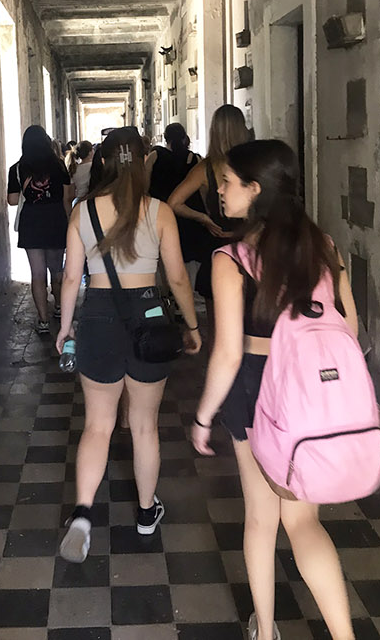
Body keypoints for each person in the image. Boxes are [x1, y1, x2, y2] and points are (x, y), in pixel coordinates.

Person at [189, 139, 360, 640]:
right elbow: (349, 329)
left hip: (257, 389)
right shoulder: (324, 245)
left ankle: (265, 631)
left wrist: (203, 416)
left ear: (255, 189)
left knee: (261, 518)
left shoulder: (231, 258)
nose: (220, 191)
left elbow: (228, 353)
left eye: (228, 182)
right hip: (314, 389)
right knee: (304, 522)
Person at [55, 127, 202, 564]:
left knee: (97, 425)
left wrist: (65, 327)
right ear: (143, 162)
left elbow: (70, 278)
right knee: (144, 426)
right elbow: (177, 278)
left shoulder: (82, 211)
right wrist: (192, 325)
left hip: (98, 316)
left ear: (102, 161)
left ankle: (83, 516)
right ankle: (145, 513)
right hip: (148, 316)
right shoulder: (159, 211)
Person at [167, 105, 253, 300]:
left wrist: (203, 218)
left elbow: (174, 202)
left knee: (216, 308)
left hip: (217, 244)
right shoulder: (253, 165)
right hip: (248, 243)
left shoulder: (204, 168)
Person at [8, 125, 73, 334]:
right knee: (56, 269)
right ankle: (60, 307)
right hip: (55, 219)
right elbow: (67, 197)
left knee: (37, 274)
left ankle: (43, 320)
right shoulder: (59, 166)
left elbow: (12, 200)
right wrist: (70, 221)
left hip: (32, 221)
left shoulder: (17, 168)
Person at [148, 123, 204, 285]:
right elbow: (203, 191)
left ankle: (167, 292)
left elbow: (143, 187)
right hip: (188, 216)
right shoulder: (195, 159)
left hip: (159, 214)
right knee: (189, 260)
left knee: (163, 255)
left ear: (166, 138)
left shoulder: (155, 156)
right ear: (184, 137)